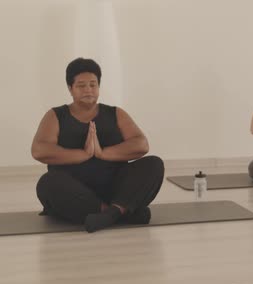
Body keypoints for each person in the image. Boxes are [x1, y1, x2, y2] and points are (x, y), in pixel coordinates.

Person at [31, 58, 164, 233]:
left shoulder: (116, 113)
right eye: (81, 85)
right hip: (76, 191)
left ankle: (110, 213)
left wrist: (102, 153)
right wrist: (83, 154)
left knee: (153, 164)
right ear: (70, 89)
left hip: (115, 188)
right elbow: (39, 150)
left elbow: (141, 144)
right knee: (47, 184)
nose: (88, 90)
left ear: (99, 87)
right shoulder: (56, 115)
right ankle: (119, 212)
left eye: (93, 85)